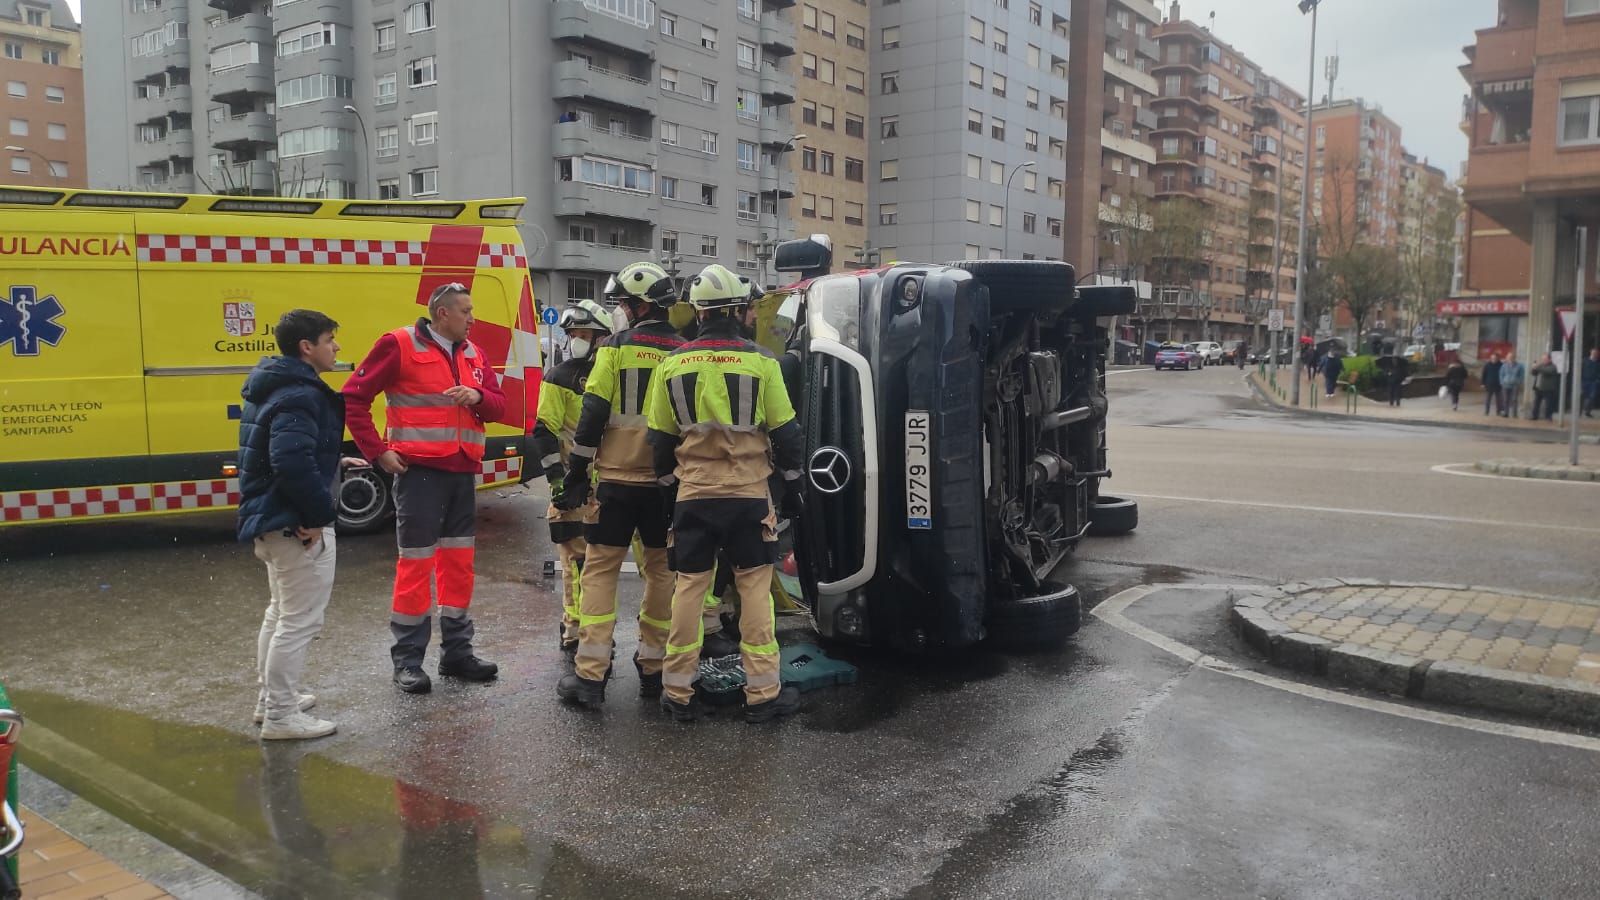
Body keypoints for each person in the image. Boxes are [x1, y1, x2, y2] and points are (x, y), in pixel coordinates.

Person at [646, 264, 807, 723]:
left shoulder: (671, 365)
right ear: (737, 310)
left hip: (693, 494)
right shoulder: (762, 363)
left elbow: (659, 441)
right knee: (753, 586)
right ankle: (763, 695)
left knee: (690, 588)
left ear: (698, 314)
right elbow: (788, 435)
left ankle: (676, 693)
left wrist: (669, 491)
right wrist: (793, 488)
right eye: (750, 307)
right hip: (748, 494)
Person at [344, 283, 506, 694]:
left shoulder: (474, 353)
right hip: (418, 475)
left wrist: (477, 395)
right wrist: (378, 452)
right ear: (441, 314)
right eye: (466, 311)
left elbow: (500, 406)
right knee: (415, 566)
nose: (472, 318)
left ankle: (456, 654)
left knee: (458, 566)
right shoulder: (398, 344)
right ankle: (408, 662)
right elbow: (353, 398)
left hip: (460, 472)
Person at [552, 261, 685, 708]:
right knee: (662, 573)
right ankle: (653, 669)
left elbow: (590, 418)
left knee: (600, 572)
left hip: (614, 483)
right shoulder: (685, 353)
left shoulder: (614, 348)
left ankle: (590, 676)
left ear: (642, 304)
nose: (621, 310)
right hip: (665, 486)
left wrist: (574, 475)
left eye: (625, 302)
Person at [238, 310, 348, 740]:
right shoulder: (301, 393)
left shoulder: (273, 385)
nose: (336, 347)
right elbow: (289, 460)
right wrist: (318, 516)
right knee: (299, 621)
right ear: (307, 347)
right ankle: (282, 715)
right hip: (292, 524)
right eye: (330, 338)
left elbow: (282, 451)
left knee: (280, 613)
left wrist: (334, 461)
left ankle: (271, 700)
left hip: (271, 518)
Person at [531, 300, 614, 655]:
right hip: (574, 485)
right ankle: (576, 629)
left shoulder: (613, 372)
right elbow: (544, 430)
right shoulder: (559, 376)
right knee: (575, 565)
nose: (575, 340)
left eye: (582, 334)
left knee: (603, 565)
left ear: (601, 336)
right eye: (571, 335)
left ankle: (595, 631)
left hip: (611, 484)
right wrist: (557, 480)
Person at [1531, 353, 1561, 421]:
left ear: (1549, 359)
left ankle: (1548, 416)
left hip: (1548, 388)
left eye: (1545, 359)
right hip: (1538, 387)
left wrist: (1537, 367)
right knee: (1536, 403)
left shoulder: (1553, 366)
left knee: (1548, 404)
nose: (1543, 360)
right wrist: (1533, 368)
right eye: (1543, 359)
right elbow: (1533, 373)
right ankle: (1534, 416)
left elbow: (1547, 371)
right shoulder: (1541, 365)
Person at [1499, 351, 1525, 419]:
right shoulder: (1504, 366)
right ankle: (1506, 413)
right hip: (1505, 385)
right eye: (1509, 357)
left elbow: (1521, 375)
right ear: (1507, 358)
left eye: (1511, 357)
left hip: (1515, 385)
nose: (1510, 358)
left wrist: (1519, 382)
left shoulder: (1520, 366)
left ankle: (1514, 414)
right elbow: (1501, 374)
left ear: (1514, 358)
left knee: (1514, 400)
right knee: (1505, 399)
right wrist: (1502, 382)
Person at [1583, 348, 1600, 418]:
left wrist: (1598, 380)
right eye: (1593, 353)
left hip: (1593, 382)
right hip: (1585, 380)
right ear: (1591, 353)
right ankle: (1583, 410)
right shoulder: (1585, 361)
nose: (1594, 354)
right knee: (1585, 395)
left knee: (1592, 396)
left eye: (1596, 353)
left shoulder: (1598, 363)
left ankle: (1587, 410)